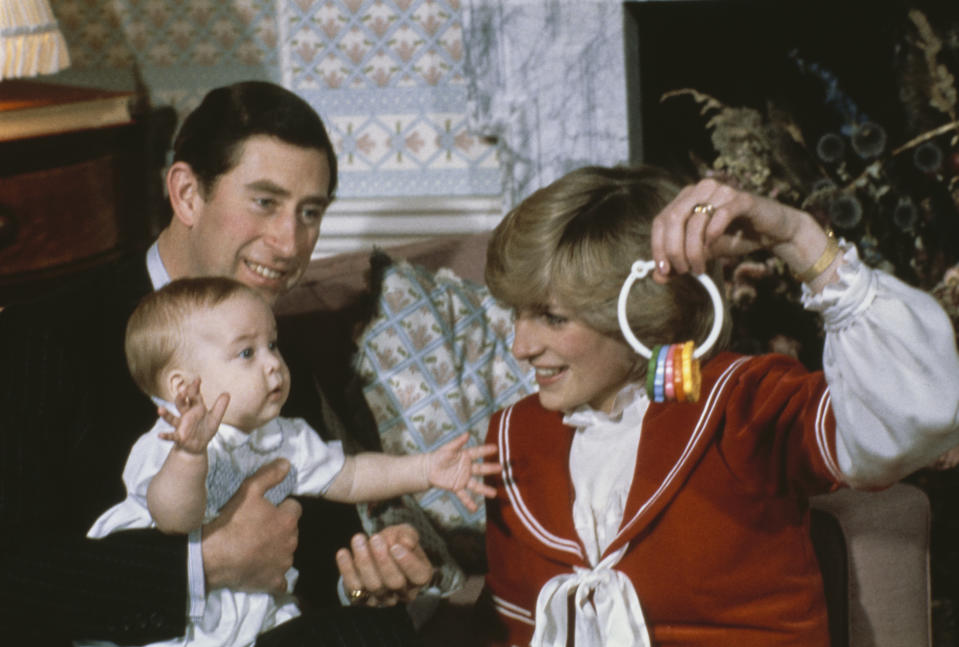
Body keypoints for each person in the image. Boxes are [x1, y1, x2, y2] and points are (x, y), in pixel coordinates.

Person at [0, 81, 434, 646]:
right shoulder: (38, 338)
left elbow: (322, 556)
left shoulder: (278, 360)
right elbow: (12, 579)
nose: (288, 243)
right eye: (265, 202)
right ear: (185, 194)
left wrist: (368, 580)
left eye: (310, 212)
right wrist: (202, 564)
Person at [480, 165, 959, 646]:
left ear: (639, 310)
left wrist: (797, 236)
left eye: (552, 318)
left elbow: (908, 415)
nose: (521, 346)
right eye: (517, 313)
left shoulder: (743, 405)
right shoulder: (511, 437)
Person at [79, 276, 498, 647]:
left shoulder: (284, 435)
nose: (273, 364)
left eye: (272, 345)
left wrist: (423, 470)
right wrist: (190, 455)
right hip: (171, 615)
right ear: (183, 386)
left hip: (250, 606)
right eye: (247, 353)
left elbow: (349, 476)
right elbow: (172, 515)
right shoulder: (170, 445)